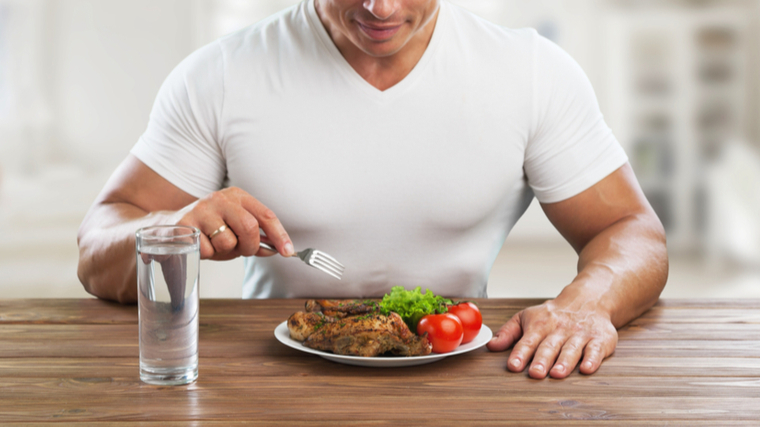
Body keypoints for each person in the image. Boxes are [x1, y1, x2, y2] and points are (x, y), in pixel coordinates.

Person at [77, 0, 668, 379]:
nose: (379, 7)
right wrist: (169, 232)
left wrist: (586, 304)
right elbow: (98, 247)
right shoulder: (223, 73)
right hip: (272, 376)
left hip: (462, 377)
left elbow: (630, 231)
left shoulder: (533, 72)